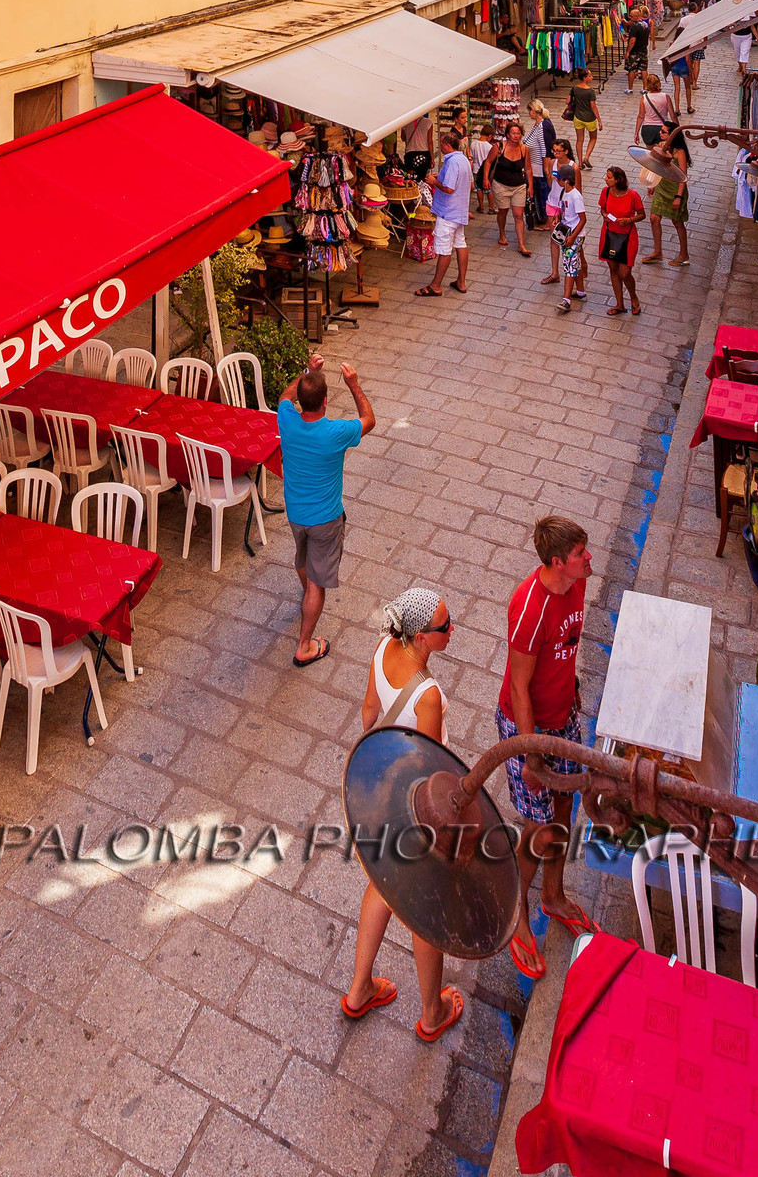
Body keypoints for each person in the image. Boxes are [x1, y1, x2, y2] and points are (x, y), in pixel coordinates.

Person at [342, 585, 464, 1043]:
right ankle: (433, 1013)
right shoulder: (428, 693)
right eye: (444, 627)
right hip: (413, 811)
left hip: (380, 794)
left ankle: (359, 991)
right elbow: (432, 767)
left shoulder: (382, 646)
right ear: (420, 637)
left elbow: (369, 714)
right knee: (425, 908)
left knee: (382, 885)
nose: (452, 630)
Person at [497, 516, 595, 974]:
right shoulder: (529, 607)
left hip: (563, 717)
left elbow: (567, 646)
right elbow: (519, 688)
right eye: (580, 554)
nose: (588, 558)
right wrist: (532, 755)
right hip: (529, 727)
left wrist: (572, 693)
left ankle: (553, 897)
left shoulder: (575, 587)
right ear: (558, 562)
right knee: (536, 830)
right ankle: (516, 918)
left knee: (562, 811)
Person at [277, 353, 375, 665]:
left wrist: (307, 371)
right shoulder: (335, 433)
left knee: (301, 557)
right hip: (325, 519)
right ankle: (304, 645)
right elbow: (369, 419)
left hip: (295, 513)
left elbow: (284, 396)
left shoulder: (286, 420)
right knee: (318, 583)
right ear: (325, 402)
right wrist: (355, 385)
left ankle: (308, 596)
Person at [416, 118, 474, 299]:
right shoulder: (463, 159)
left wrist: (434, 182)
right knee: (461, 244)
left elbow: (449, 188)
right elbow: (466, 184)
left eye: (441, 143)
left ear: (447, 145)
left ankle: (435, 286)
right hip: (459, 210)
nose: (440, 146)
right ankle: (461, 282)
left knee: (444, 249)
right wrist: (439, 176)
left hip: (448, 212)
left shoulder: (451, 162)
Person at [640, 120, 691, 265]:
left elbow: (683, 177)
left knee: (677, 222)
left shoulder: (680, 153)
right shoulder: (661, 146)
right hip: (662, 188)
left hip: (675, 190)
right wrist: (652, 184)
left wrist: (679, 196)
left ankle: (684, 255)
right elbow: (658, 168)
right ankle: (657, 252)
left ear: (672, 135)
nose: (660, 133)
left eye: (663, 131)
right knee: (654, 218)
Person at [597, 164, 644, 314]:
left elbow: (642, 214)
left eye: (609, 177)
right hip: (609, 234)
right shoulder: (605, 192)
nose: (605, 179)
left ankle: (633, 297)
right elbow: (603, 208)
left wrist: (629, 220)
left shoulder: (633, 195)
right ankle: (619, 304)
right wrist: (604, 214)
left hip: (627, 237)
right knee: (613, 268)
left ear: (618, 180)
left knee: (625, 272)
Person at [483, 121, 533, 257]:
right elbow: (488, 162)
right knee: (503, 212)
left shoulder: (524, 149)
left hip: (519, 186)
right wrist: (485, 178)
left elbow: (528, 169)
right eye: (513, 133)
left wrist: (531, 186)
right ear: (508, 135)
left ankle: (521, 244)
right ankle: (502, 233)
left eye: (518, 133)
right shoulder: (499, 147)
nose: (516, 136)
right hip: (501, 185)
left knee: (518, 215)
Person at [540, 140, 577, 287]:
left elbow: (576, 190)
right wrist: (551, 178)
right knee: (554, 237)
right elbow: (550, 186)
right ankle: (555, 272)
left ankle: (579, 265)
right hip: (552, 202)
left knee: (571, 239)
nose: (555, 153)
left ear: (566, 151)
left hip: (566, 206)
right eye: (553, 150)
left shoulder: (573, 167)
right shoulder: (552, 163)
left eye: (558, 151)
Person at [554, 172, 588, 313]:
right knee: (575, 263)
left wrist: (573, 237)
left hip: (574, 236)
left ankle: (566, 300)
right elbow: (564, 210)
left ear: (567, 180)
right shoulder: (564, 192)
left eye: (559, 178)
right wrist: (557, 216)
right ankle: (580, 291)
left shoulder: (575, 196)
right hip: (569, 233)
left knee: (569, 265)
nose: (557, 180)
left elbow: (582, 219)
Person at [522, 100, 557, 230]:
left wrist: (546, 171)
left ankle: (549, 221)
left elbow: (545, 149)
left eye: (529, 111)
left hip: (540, 169)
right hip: (534, 168)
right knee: (538, 195)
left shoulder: (543, 126)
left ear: (533, 111)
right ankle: (542, 219)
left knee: (544, 195)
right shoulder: (538, 125)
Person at [633, 70, 679, 148]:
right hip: (661, 128)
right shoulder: (666, 97)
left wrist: (636, 133)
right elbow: (673, 115)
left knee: (651, 154)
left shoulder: (644, 98)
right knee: (661, 153)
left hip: (647, 129)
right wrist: (678, 129)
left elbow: (641, 116)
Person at [565, 70, 599, 169]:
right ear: (585, 78)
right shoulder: (590, 91)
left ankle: (580, 163)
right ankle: (587, 157)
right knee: (593, 138)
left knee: (580, 140)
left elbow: (567, 101)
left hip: (577, 117)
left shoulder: (574, 88)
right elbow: (593, 107)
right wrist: (599, 120)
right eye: (590, 75)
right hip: (590, 118)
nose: (592, 77)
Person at [623, 5, 650, 94]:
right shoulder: (645, 25)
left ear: (637, 16)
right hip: (643, 50)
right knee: (644, 69)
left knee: (632, 69)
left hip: (635, 51)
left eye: (631, 16)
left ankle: (630, 88)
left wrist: (628, 51)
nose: (629, 17)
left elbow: (632, 40)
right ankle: (645, 88)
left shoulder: (635, 26)